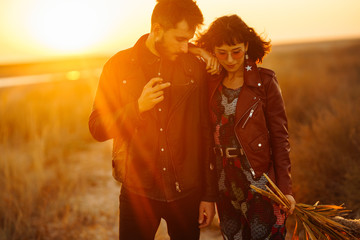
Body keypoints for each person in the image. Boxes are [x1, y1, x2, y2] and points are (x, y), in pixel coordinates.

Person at [88, 0, 218, 239]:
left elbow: (205, 132)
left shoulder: (193, 66)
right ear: (157, 30)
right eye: (179, 39)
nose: (183, 47)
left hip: (187, 192)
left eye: (188, 40)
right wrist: (137, 108)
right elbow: (97, 127)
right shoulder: (118, 66)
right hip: (138, 193)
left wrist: (208, 195)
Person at [190, 15, 296, 239]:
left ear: (247, 46)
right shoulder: (209, 82)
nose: (229, 59)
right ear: (212, 50)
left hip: (260, 180)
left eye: (236, 51)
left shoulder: (265, 81)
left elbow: (280, 138)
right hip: (223, 180)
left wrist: (285, 189)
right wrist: (199, 52)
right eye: (221, 52)